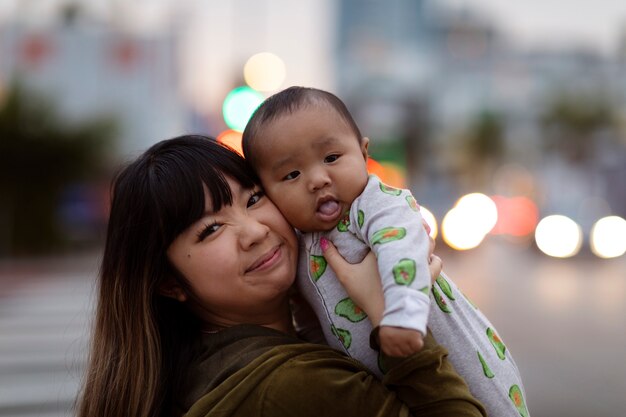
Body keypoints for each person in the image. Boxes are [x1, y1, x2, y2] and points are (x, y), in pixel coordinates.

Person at [76, 135, 487, 417]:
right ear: (169, 283)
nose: (255, 232)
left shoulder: (202, 364)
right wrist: (393, 323)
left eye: (254, 199)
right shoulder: (290, 386)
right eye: (211, 230)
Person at [242, 86, 530, 417]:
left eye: (332, 158)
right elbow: (309, 315)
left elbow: (400, 251)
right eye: (291, 174)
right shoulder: (299, 243)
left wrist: (403, 317)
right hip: (400, 377)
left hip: (455, 354)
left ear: (364, 154)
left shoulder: (375, 204)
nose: (317, 179)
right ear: (267, 190)